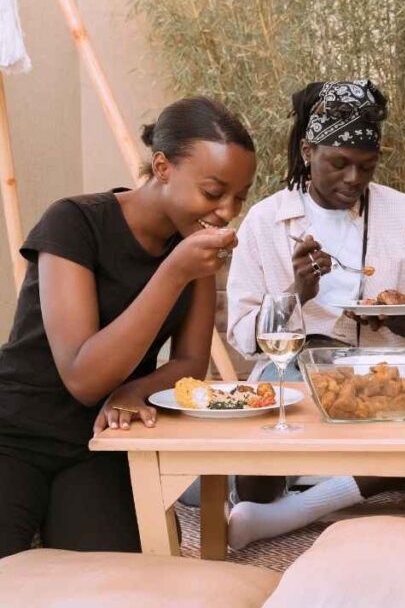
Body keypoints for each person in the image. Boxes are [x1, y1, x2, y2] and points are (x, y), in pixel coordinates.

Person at [0, 97, 256, 558]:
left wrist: (136, 390)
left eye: (240, 197)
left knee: (117, 583)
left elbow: (190, 364)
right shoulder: (74, 223)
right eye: (214, 192)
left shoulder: (191, 249)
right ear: (161, 167)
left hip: (100, 441)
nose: (227, 212)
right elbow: (83, 377)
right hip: (14, 430)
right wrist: (173, 272)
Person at [225, 80, 405, 549]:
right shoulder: (265, 221)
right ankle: (292, 494)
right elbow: (243, 336)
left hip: (388, 369)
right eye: (338, 163)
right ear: (307, 150)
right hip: (293, 367)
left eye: (366, 167)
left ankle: (294, 512)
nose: (353, 179)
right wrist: (296, 293)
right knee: (254, 480)